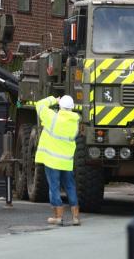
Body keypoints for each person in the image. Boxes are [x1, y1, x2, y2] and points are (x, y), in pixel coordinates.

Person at [35, 94, 81, 226]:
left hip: (52, 160)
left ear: (60, 106)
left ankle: (58, 217)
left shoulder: (52, 117)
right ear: (72, 108)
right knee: (70, 186)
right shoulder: (75, 122)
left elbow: (39, 104)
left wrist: (54, 99)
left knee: (54, 187)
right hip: (66, 161)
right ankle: (75, 216)